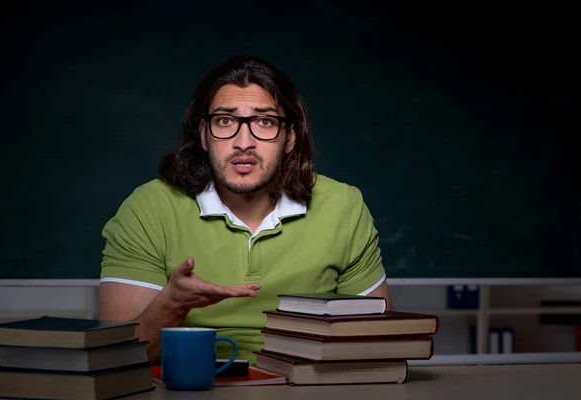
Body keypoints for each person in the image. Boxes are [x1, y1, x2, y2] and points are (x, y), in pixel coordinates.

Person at [98, 55, 393, 364]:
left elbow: (377, 340)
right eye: (225, 121)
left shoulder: (342, 207)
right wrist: (172, 304)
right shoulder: (149, 208)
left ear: (290, 137)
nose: (244, 142)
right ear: (203, 135)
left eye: (264, 122)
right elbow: (117, 356)